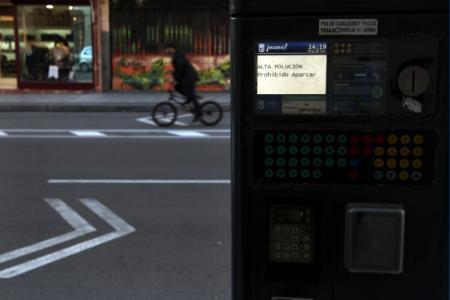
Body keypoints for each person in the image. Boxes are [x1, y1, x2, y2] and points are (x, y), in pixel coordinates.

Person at [163, 44, 201, 120]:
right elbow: (178, 69)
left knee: (190, 94)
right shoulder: (176, 55)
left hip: (189, 77)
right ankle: (190, 97)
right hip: (186, 77)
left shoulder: (178, 56)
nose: (165, 51)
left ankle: (199, 113)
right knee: (177, 87)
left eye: (166, 49)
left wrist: (174, 77)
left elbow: (180, 69)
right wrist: (175, 76)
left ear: (171, 48)